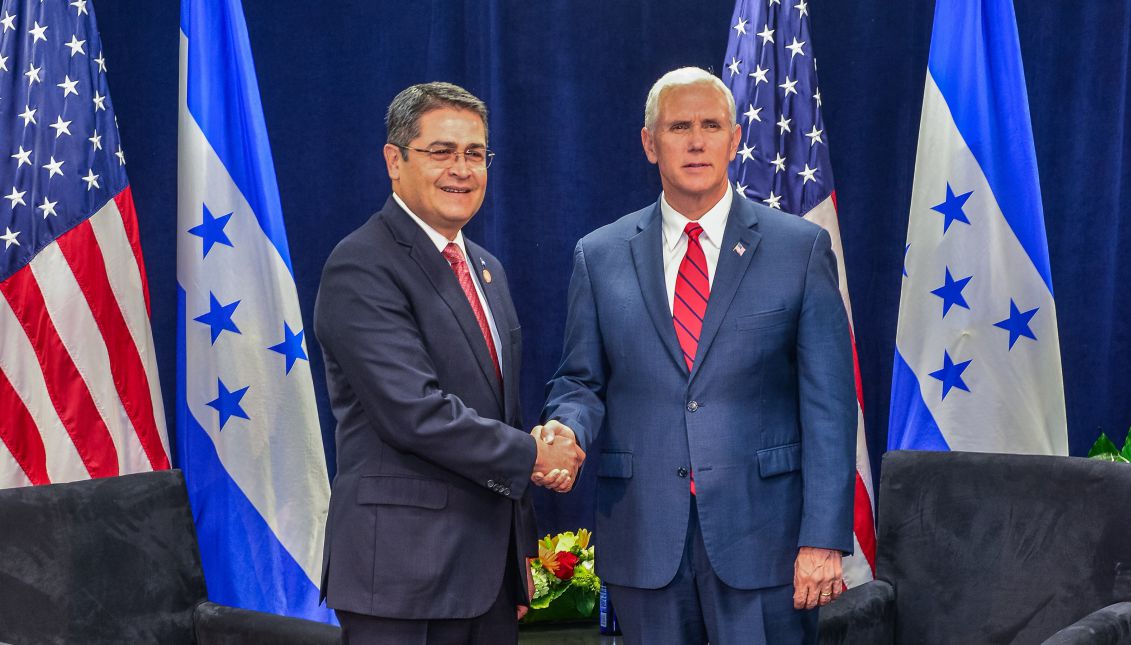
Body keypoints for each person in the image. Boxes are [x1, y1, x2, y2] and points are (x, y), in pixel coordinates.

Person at [541, 67, 856, 644]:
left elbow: (831, 407)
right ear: (649, 143)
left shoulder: (799, 248)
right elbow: (580, 380)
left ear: (735, 139)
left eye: (711, 125)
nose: (695, 140)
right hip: (643, 535)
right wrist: (566, 428)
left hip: (767, 538)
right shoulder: (600, 254)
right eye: (678, 126)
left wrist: (822, 537)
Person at [315, 81, 584, 645]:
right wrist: (536, 455)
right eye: (441, 151)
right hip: (402, 580)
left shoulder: (485, 267)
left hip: (485, 577)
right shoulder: (362, 264)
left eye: (475, 154)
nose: (461, 169)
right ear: (394, 160)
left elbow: (495, 406)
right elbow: (414, 413)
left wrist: (541, 440)